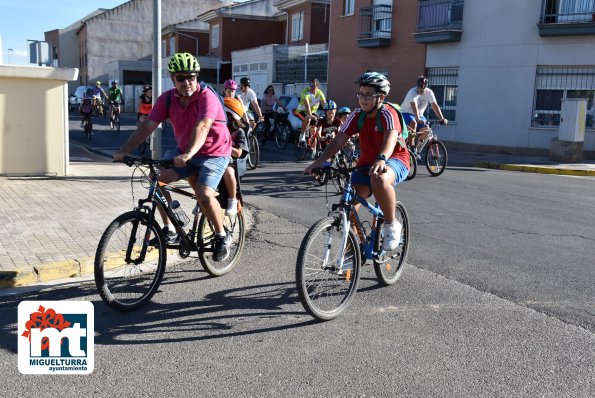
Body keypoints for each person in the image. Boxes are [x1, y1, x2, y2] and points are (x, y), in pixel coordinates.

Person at [113, 52, 233, 262]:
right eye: (181, 77)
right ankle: (170, 229)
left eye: (191, 77)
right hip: (185, 151)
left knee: (204, 195)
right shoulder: (167, 99)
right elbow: (148, 125)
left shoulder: (207, 97)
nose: (187, 82)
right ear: (172, 79)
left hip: (215, 152)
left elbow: (203, 126)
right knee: (156, 182)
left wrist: (189, 153)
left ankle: (222, 236)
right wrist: (124, 150)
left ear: (197, 77)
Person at [304, 72, 409, 252]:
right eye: (360, 94)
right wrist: (320, 161)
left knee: (380, 180)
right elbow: (338, 140)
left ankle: (391, 225)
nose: (363, 99)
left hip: (394, 159)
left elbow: (390, 139)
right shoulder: (357, 115)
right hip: (366, 163)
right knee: (348, 206)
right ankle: (353, 251)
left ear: (381, 97)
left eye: (368, 94)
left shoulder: (388, 113)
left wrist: (382, 158)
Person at [400, 75, 448, 154]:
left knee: (427, 131)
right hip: (406, 113)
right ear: (417, 86)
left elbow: (434, 105)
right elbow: (414, 106)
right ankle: (411, 147)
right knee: (413, 123)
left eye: (423, 88)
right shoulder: (412, 92)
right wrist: (418, 118)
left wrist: (442, 118)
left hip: (419, 114)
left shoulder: (429, 92)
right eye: (419, 87)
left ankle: (417, 150)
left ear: (426, 87)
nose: (420, 90)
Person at [222, 97, 250, 216]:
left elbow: (238, 153)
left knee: (228, 172)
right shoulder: (217, 128)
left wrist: (222, 147)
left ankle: (232, 200)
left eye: (226, 115)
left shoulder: (239, 132)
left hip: (232, 163)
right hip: (216, 159)